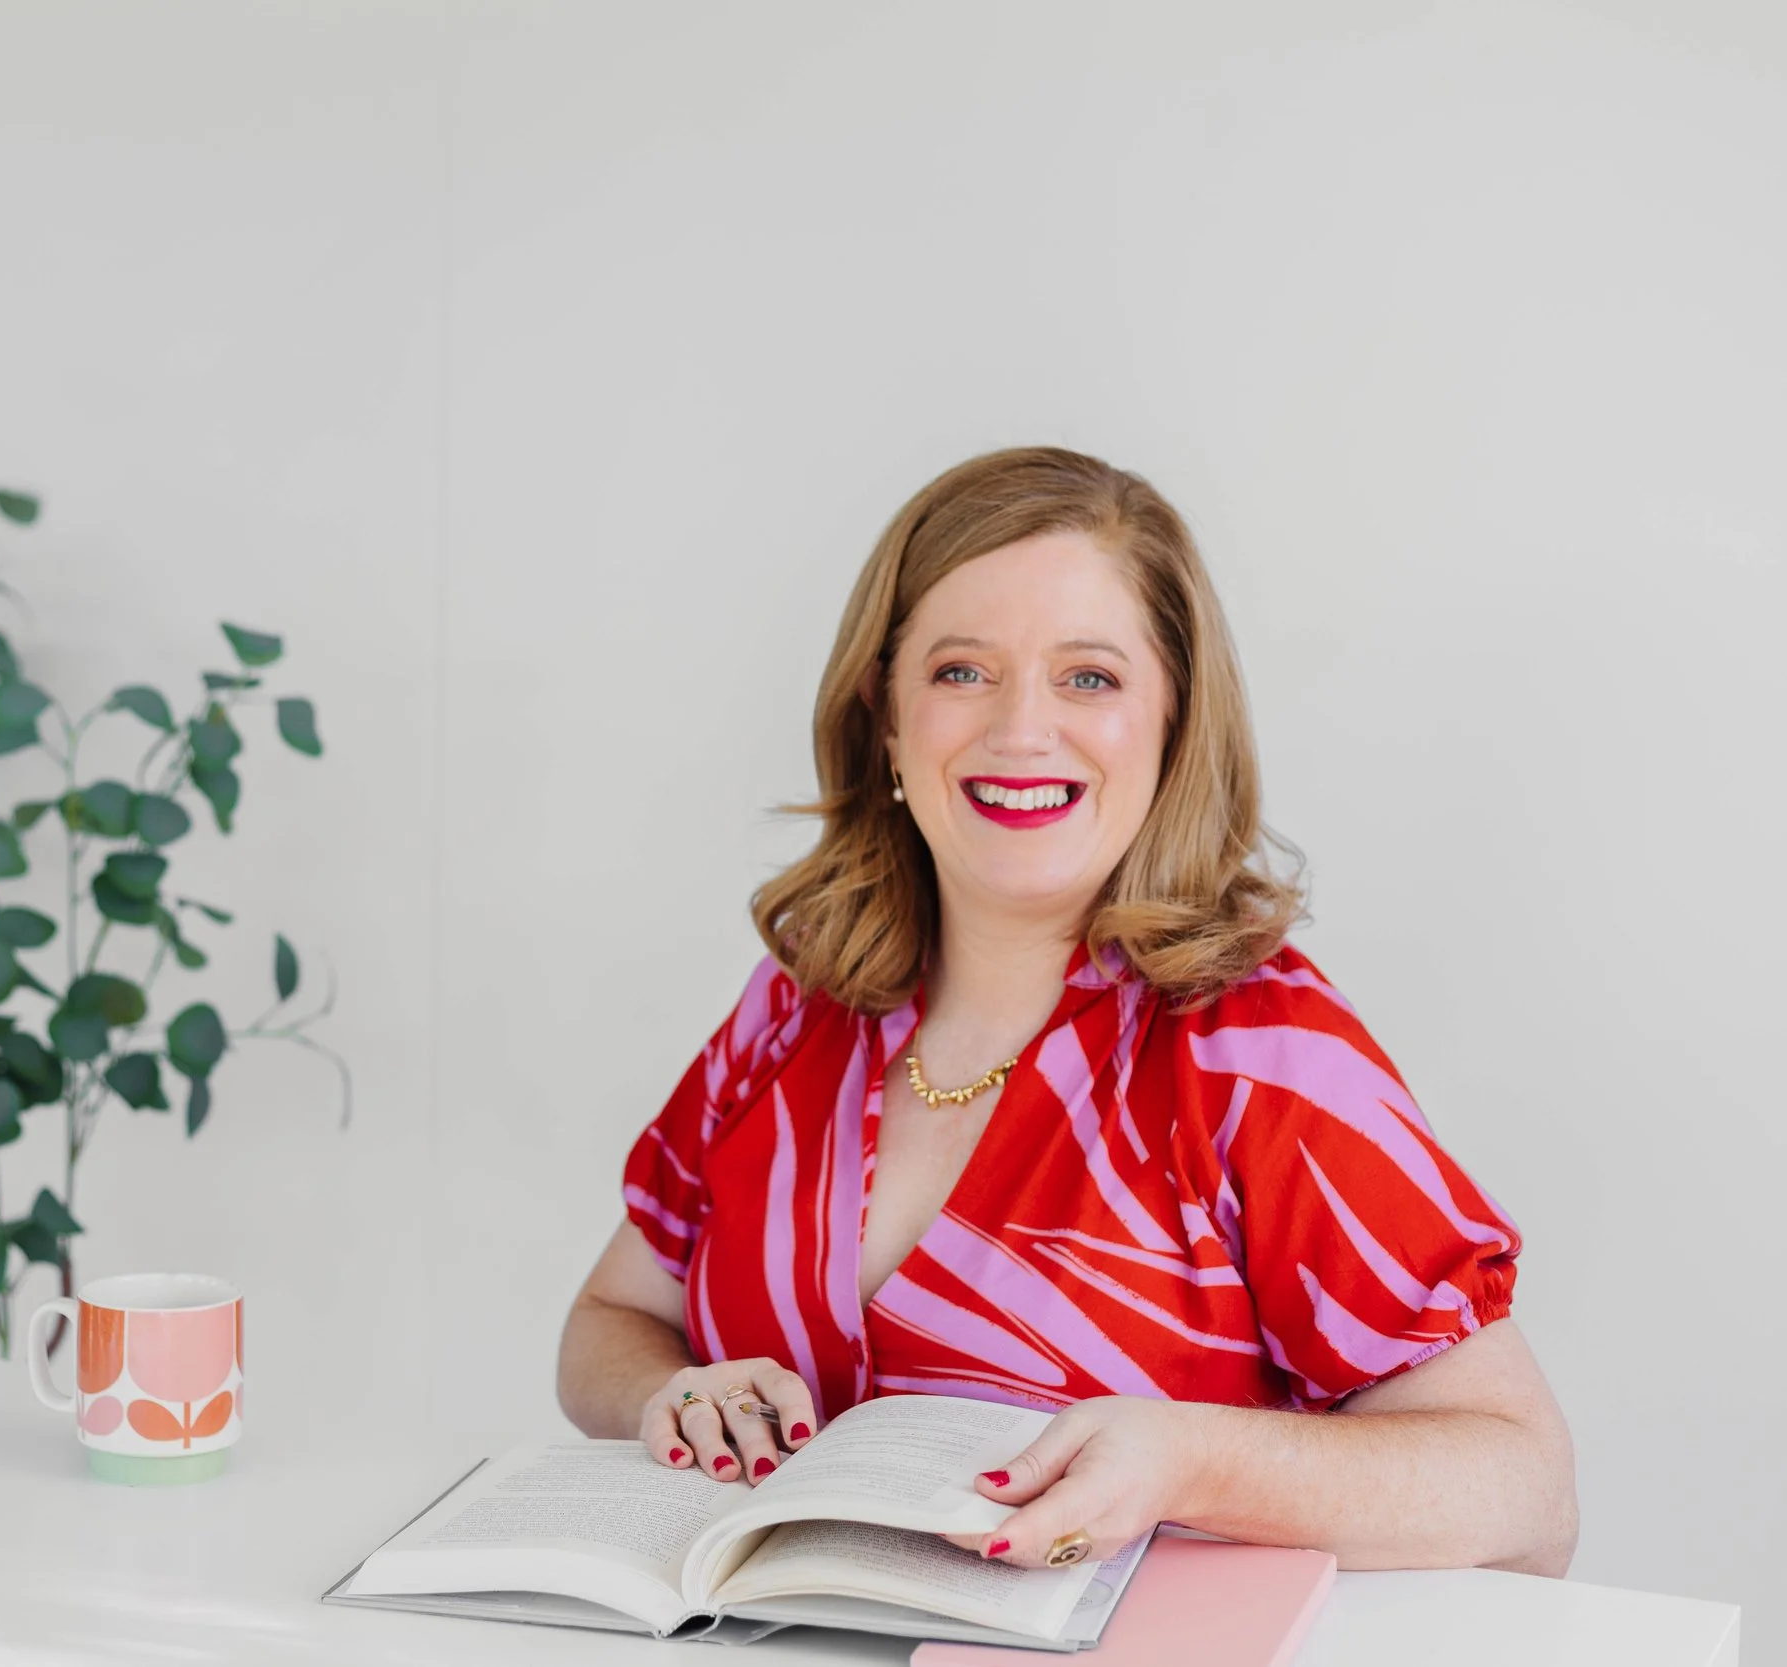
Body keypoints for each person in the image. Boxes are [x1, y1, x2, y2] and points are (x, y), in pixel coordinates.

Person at [556, 446, 1578, 1577]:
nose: (1020, 731)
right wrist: (669, 1392)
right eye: (960, 671)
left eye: (1088, 676)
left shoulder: (1259, 1054)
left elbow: (1526, 1487)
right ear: (884, 716)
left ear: (1172, 722)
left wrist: (1194, 1461)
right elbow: (607, 1316)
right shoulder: (796, 1010)